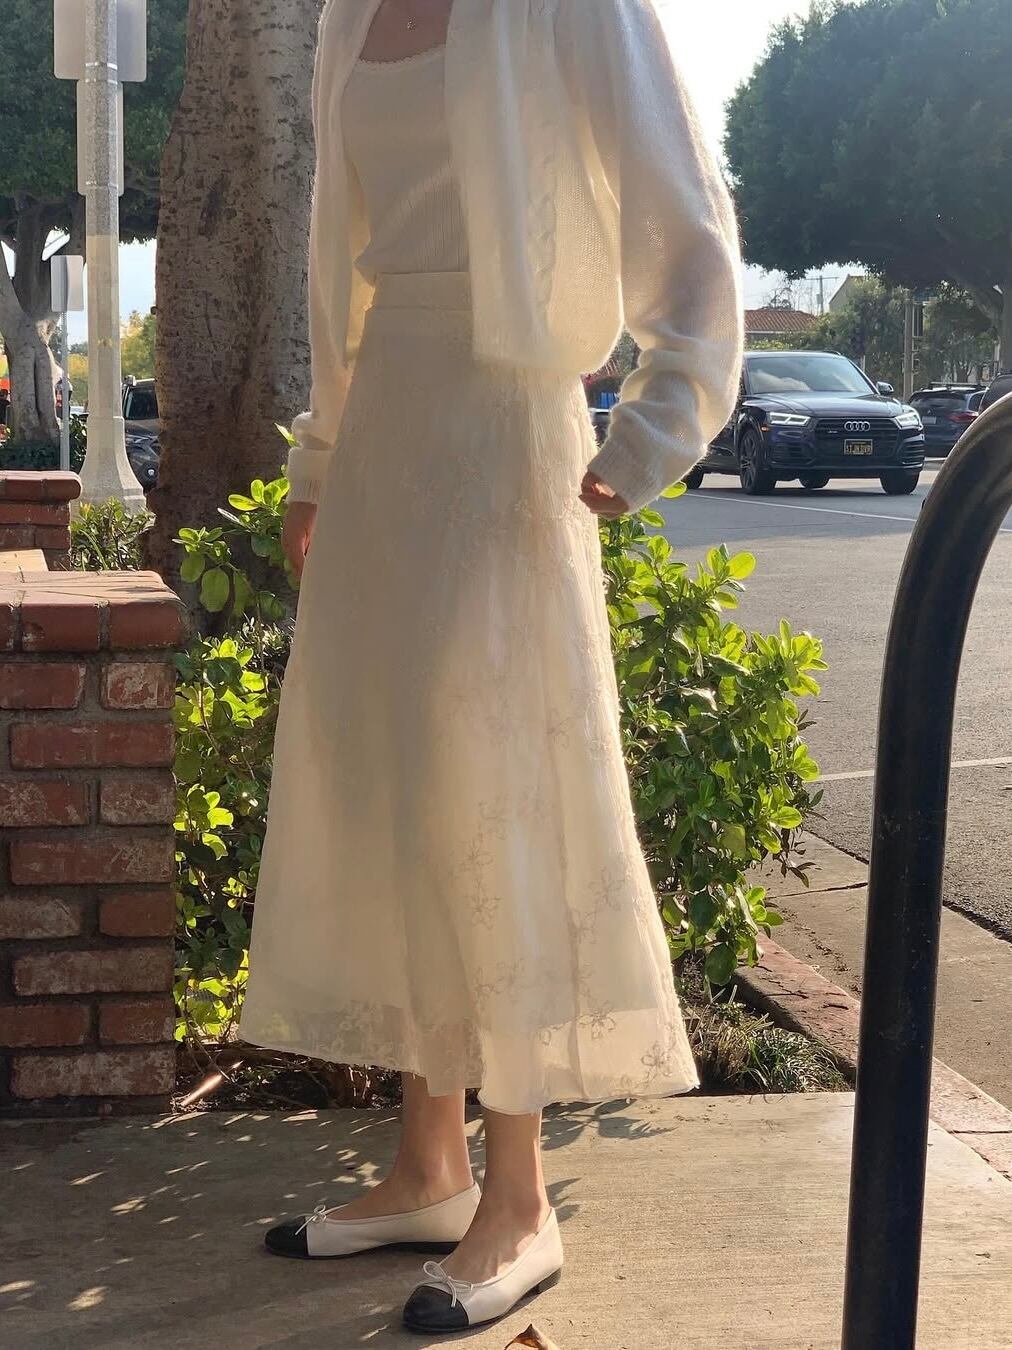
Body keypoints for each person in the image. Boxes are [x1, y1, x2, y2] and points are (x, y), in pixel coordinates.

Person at [238, 0, 743, 1334]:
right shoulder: (348, 15)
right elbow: (342, 263)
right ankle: (430, 1166)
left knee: (495, 792)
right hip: (388, 435)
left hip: (507, 423)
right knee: (403, 794)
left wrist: (660, 419)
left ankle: (519, 1195)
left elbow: (679, 202)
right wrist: (320, 455)